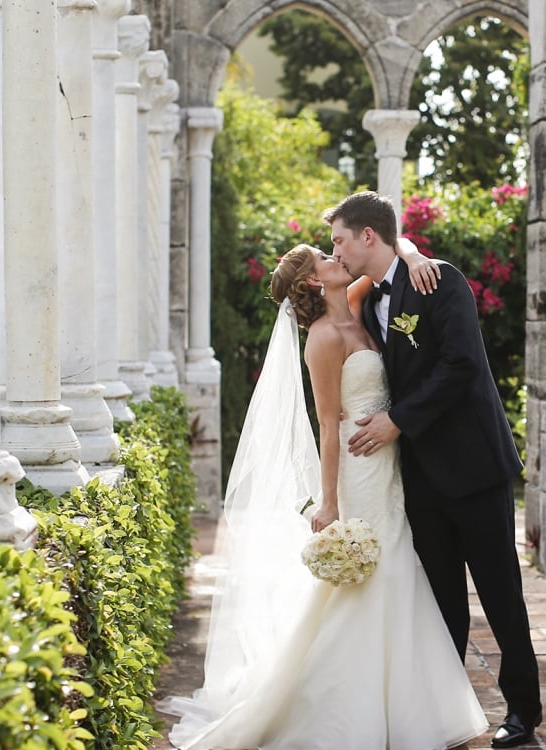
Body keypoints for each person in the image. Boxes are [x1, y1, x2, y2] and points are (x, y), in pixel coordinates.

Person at [162, 242, 487, 750]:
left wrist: (416, 255)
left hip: (391, 465)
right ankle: (342, 711)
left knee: (399, 573)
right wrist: (329, 501)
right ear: (315, 282)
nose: (338, 260)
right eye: (326, 259)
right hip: (359, 472)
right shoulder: (321, 337)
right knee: (375, 576)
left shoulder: (355, 302)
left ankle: (402, 707)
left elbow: (387, 254)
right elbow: (329, 425)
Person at [324, 191, 543, 749]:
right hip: (418, 478)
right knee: (441, 604)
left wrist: (396, 419)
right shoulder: (367, 298)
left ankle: (523, 713)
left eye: (340, 240)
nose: (337, 251)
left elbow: (461, 364)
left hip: (473, 465)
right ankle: (447, 714)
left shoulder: (440, 281)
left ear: (367, 236)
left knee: (500, 594)